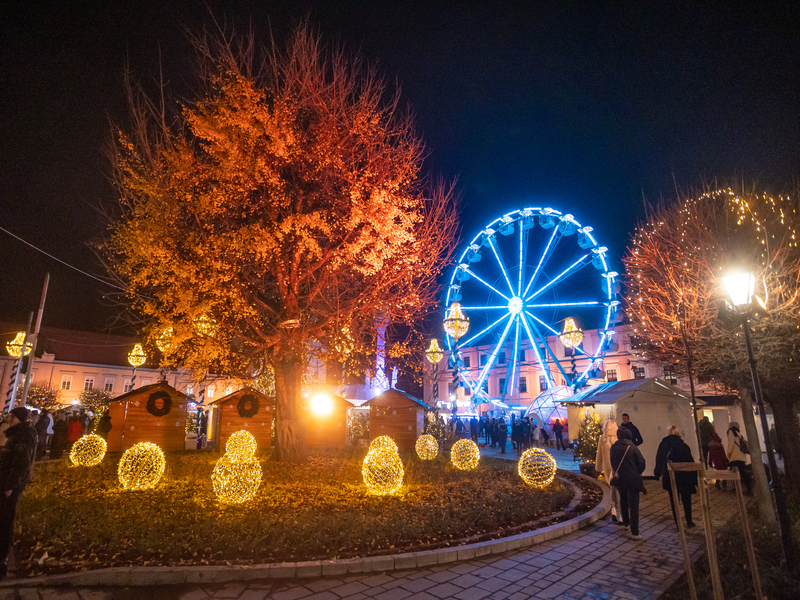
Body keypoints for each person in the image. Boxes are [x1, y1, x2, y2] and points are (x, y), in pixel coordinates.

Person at [0, 407, 38, 579]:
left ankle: (2, 560)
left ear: (19, 419)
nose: (9, 419)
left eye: (12, 417)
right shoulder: (16, 433)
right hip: (7, 482)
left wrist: (10, 485)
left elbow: (21, 461)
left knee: (4, 521)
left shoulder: (23, 435)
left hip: (10, 485)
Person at [654, 425, 697, 529]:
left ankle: (678, 524)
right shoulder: (684, 446)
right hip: (685, 477)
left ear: (668, 433)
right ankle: (689, 521)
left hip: (671, 477)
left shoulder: (663, 445)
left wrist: (657, 473)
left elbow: (659, 459)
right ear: (678, 433)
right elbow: (690, 462)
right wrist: (694, 478)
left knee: (674, 500)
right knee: (686, 499)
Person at [610, 427, 646, 540]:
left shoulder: (613, 447)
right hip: (632, 478)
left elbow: (612, 462)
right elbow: (641, 463)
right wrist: (637, 471)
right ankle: (635, 532)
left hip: (620, 478)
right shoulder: (632, 447)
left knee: (623, 500)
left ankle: (626, 522)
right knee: (634, 504)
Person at [595, 419, 621, 523]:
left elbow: (599, 453)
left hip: (615, 467)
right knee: (613, 487)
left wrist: (598, 468)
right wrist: (598, 467)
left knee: (614, 487)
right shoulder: (603, 438)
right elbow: (599, 453)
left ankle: (615, 508)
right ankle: (615, 509)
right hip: (610, 466)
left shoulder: (616, 438)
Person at [726, 422, 752, 495]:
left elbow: (731, 443)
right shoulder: (739, 434)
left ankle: (738, 488)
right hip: (741, 456)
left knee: (735, 473)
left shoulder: (731, 431)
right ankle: (748, 488)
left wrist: (728, 453)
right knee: (743, 472)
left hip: (735, 456)